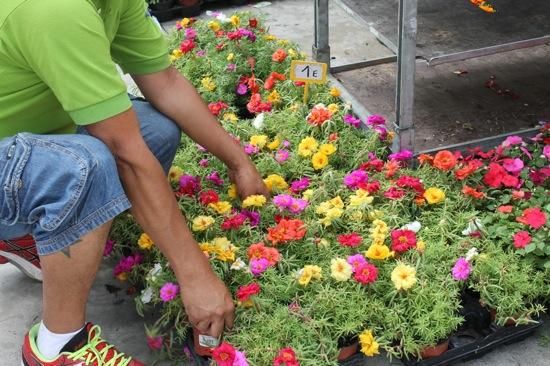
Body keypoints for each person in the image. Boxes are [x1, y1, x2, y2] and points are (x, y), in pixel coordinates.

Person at [0, 0, 269, 365]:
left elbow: (166, 82)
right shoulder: (54, 9)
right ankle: (57, 345)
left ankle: (27, 237)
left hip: (26, 138)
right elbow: (121, 149)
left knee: (154, 130)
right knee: (84, 167)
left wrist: (239, 163)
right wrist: (195, 276)